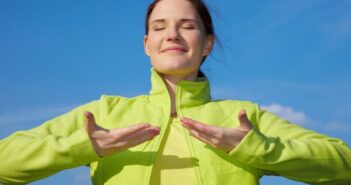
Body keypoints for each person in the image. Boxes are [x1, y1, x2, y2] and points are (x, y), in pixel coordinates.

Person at [1, 0, 351, 184]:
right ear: (146, 44)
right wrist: (84, 147)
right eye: (159, 27)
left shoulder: (243, 116)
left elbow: (343, 165)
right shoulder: (104, 113)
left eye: (187, 26)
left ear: (208, 44)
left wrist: (256, 149)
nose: (172, 35)